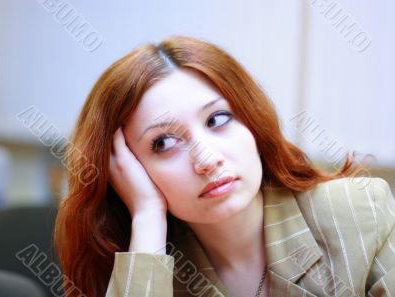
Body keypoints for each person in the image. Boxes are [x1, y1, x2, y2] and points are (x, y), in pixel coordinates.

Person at [54, 35, 395, 297]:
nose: (206, 159)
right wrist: (146, 216)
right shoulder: (145, 265)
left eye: (218, 119)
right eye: (163, 143)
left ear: (252, 122)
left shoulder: (358, 211)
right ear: (127, 170)